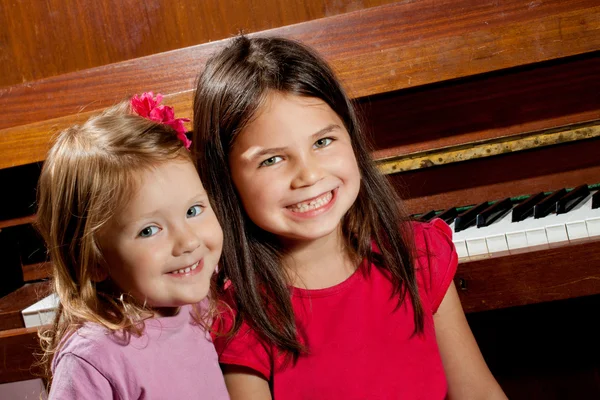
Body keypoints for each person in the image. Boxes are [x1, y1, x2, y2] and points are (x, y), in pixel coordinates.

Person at [193, 36, 507, 399]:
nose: (308, 176)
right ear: (225, 179)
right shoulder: (239, 319)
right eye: (272, 159)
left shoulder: (418, 255)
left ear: (351, 136)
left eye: (323, 142)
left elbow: (479, 393)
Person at [36, 92, 229, 399]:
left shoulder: (194, 296)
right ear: (93, 261)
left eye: (193, 211)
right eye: (150, 230)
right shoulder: (94, 359)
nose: (189, 241)